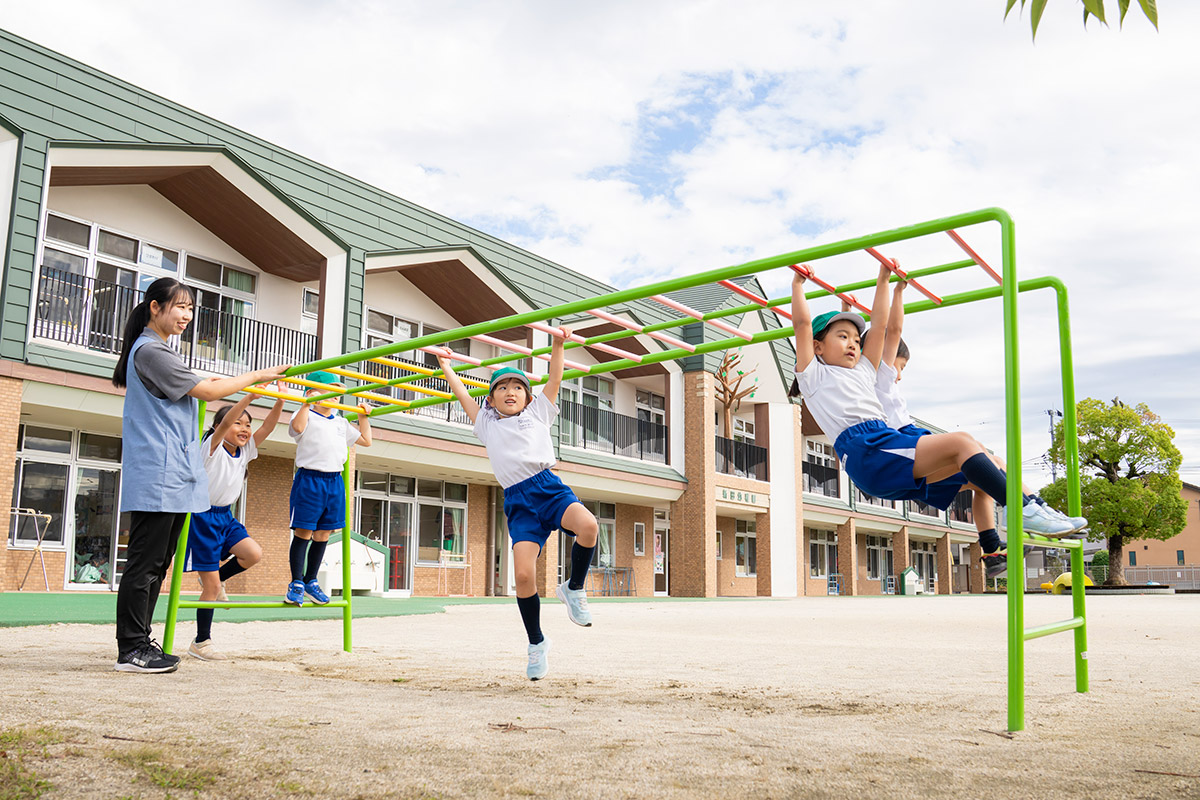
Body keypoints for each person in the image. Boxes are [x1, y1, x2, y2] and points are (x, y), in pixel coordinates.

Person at [788, 264, 1080, 560]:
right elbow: (802, 325)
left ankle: (1030, 508)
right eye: (842, 337)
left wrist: (884, 279)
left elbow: (879, 326)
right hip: (868, 452)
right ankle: (1020, 509)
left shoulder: (864, 370)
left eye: (855, 339)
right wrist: (798, 286)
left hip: (883, 445)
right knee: (961, 441)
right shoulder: (814, 377)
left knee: (980, 460)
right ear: (818, 347)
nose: (853, 344)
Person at [111, 277, 287, 673]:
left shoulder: (162, 351)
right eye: (180, 307)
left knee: (159, 563)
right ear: (155, 307)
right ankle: (131, 648)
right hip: (159, 472)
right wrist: (257, 377)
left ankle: (141, 643)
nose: (187, 315)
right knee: (145, 562)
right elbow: (208, 392)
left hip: (174, 473)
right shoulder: (151, 350)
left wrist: (245, 385)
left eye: (191, 308)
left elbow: (206, 385)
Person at [870, 280, 1085, 578]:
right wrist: (895, 289)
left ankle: (995, 548)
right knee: (974, 451)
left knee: (988, 472)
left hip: (915, 451)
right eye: (901, 366)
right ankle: (1027, 510)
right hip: (907, 452)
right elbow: (890, 329)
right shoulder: (878, 374)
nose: (900, 375)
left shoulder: (876, 383)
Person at [437, 328, 599, 681]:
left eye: (517, 388)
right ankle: (537, 643)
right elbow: (462, 395)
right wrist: (447, 367)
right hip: (518, 500)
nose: (510, 392)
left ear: (527, 397)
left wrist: (558, 344)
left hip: (548, 487)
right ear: (491, 400)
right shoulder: (485, 424)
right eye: (501, 388)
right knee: (523, 576)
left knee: (588, 526)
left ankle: (573, 587)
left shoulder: (538, 413)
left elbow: (555, 378)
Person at [184, 387, 285, 660]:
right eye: (238, 423)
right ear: (220, 426)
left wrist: (280, 400)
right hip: (202, 518)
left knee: (253, 553)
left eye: (248, 425)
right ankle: (201, 642)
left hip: (225, 517)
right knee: (211, 589)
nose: (244, 429)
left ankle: (219, 580)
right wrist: (249, 397)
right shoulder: (211, 447)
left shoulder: (246, 450)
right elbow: (226, 422)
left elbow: (268, 427)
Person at [285, 371, 372, 606]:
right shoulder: (306, 414)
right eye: (331, 389)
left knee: (324, 533)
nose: (336, 395)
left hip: (334, 481)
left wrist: (363, 417)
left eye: (338, 391)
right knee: (304, 531)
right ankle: (296, 582)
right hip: (310, 479)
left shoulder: (340, 422)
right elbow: (297, 428)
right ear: (313, 392)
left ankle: (311, 580)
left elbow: (366, 441)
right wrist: (307, 403)